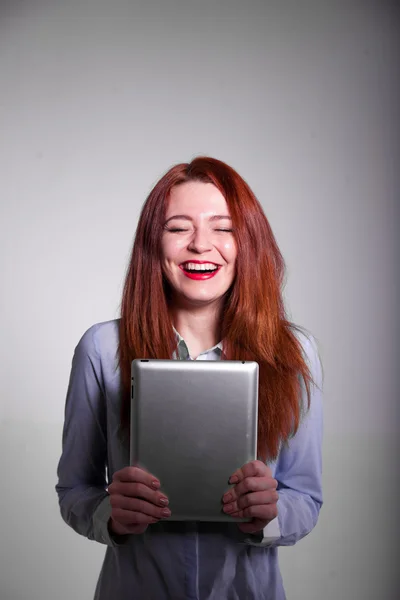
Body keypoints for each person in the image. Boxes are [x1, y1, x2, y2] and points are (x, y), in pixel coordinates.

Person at [56, 156, 323, 600]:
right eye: (179, 228)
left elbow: (306, 497)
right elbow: (73, 490)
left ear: (248, 243)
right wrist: (111, 514)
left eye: (224, 228)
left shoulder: (295, 353)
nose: (201, 245)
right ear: (153, 244)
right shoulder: (102, 349)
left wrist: (271, 513)